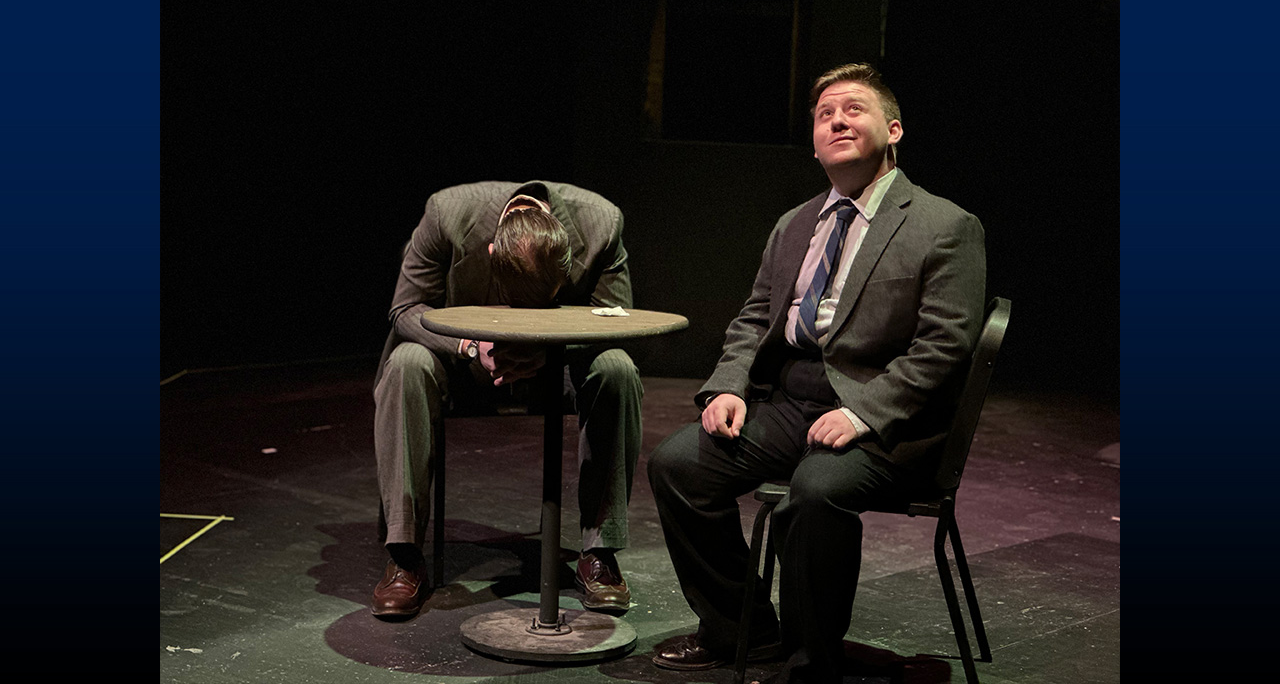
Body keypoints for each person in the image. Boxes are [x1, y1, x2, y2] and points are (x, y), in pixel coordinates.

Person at [647, 63, 987, 683]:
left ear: (894, 129)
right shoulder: (795, 224)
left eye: (853, 109)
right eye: (825, 113)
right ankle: (740, 628)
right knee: (679, 465)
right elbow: (754, 318)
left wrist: (864, 411)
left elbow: (945, 345)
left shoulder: (944, 225)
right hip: (792, 402)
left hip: (888, 421)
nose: (836, 119)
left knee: (814, 492)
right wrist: (728, 385)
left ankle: (811, 663)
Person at [371, 180, 642, 619]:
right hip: (465, 360)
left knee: (617, 369)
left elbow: (615, 320)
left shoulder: (602, 225)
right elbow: (406, 309)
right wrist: (471, 347)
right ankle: (404, 557)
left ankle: (601, 553)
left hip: (557, 364)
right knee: (406, 364)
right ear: (494, 254)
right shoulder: (446, 215)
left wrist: (543, 347)